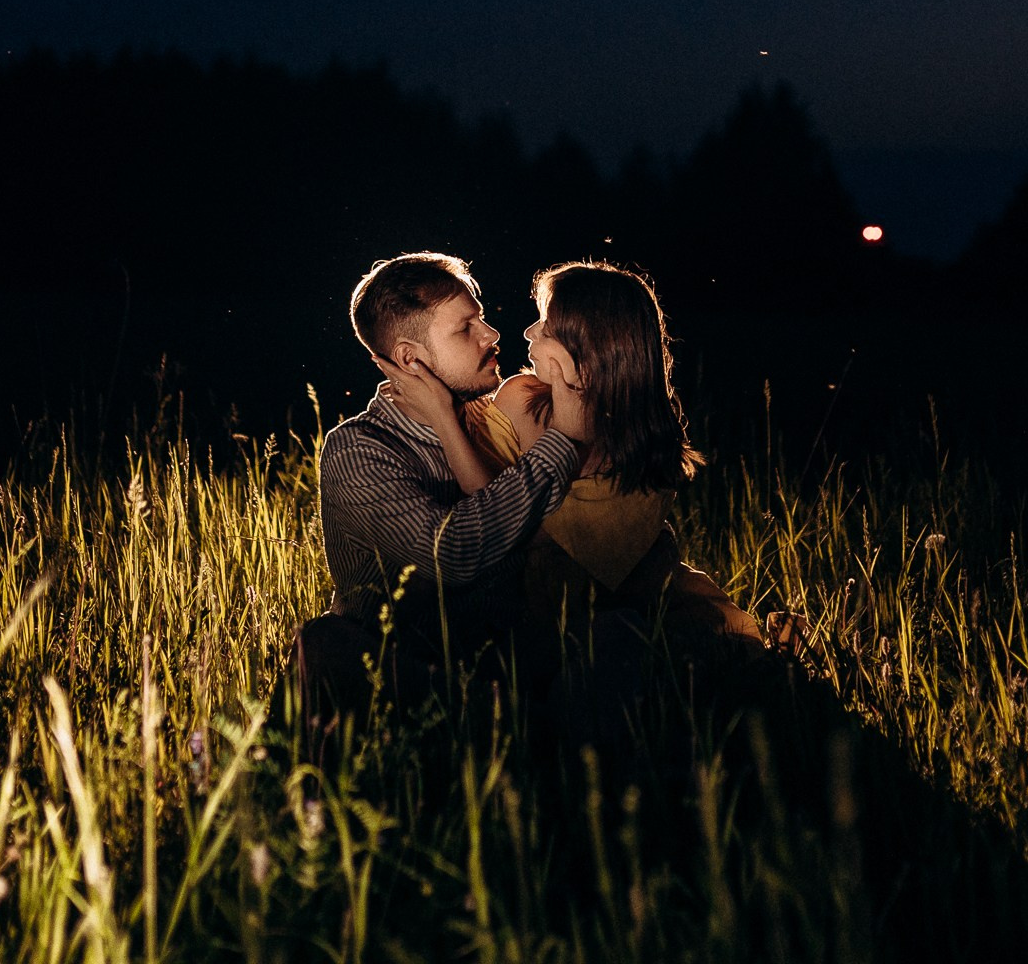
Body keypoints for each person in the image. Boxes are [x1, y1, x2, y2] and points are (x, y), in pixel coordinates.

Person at [297, 251, 595, 727]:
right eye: (466, 327)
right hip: (402, 668)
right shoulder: (360, 449)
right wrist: (564, 441)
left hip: (503, 656)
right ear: (410, 360)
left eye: (482, 318)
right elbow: (452, 554)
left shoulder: (490, 419)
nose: (492, 335)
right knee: (325, 645)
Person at [446, 260, 765, 676]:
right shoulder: (521, 399)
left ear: (588, 347)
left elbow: (583, 546)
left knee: (673, 651)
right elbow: (490, 507)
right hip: (527, 604)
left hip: (633, 596)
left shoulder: (644, 442)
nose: (528, 333)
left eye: (545, 325)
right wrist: (441, 413)